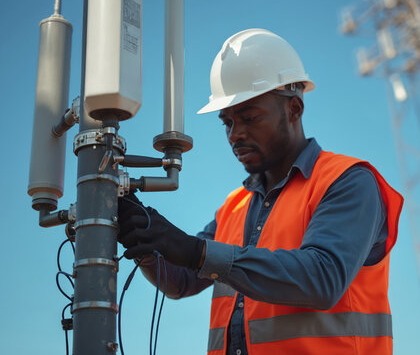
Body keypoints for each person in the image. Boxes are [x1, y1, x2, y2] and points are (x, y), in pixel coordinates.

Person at [117, 28, 403, 355]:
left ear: (294, 109)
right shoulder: (234, 208)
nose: (235, 135)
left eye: (249, 118)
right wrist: (138, 231)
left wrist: (196, 251)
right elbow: (181, 280)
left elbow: (323, 278)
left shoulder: (346, 181)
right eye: (227, 123)